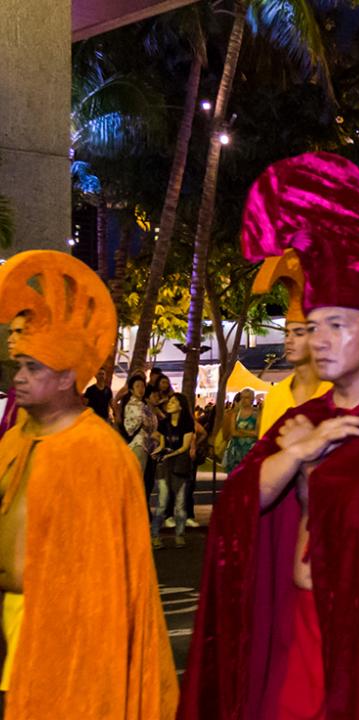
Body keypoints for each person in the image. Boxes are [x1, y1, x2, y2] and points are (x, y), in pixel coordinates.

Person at [180, 151, 359, 718]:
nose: (320, 340)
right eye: (314, 327)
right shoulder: (305, 416)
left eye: (338, 325)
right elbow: (239, 501)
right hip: (295, 630)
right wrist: (296, 458)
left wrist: (311, 469)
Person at [0, 250, 177, 716]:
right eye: (18, 364)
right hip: (9, 635)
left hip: (69, 653)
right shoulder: (12, 442)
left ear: (64, 377)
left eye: (32, 367)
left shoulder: (101, 455)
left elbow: (112, 589)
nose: (18, 376)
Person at [255, 248, 333, 439]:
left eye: (298, 333)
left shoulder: (340, 395)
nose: (289, 339)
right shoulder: (275, 396)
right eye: (286, 332)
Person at [152, 393, 195, 548]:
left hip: (180, 466)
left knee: (180, 503)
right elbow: (162, 444)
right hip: (166, 466)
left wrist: (169, 454)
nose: (169, 404)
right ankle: (155, 535)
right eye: (169, 402)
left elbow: (184, 447)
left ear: (181, 406)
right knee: (162, 502)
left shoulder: (187, 424)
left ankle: (179, 534)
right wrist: (157, 451)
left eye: (173, 402)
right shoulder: (164, 423)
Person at [221, 388, 259, 472]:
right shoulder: (235, 413)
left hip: (250, 451)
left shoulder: (257, 414)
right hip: (236, 450)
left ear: (252, 399)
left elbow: (257, 433)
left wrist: (240, 430)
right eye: (242, 397)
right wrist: (250, 433)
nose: (244, 400)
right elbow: (233, 432)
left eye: (247, 398)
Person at [122, 371, 153, 471]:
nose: (141, 389)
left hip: (145, 444)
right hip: (138, 444)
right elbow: (129, 428)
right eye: (137, 386)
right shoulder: (131, 405)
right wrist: (143, 419)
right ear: (131, 390)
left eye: (143, 386)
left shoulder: (143, 405)